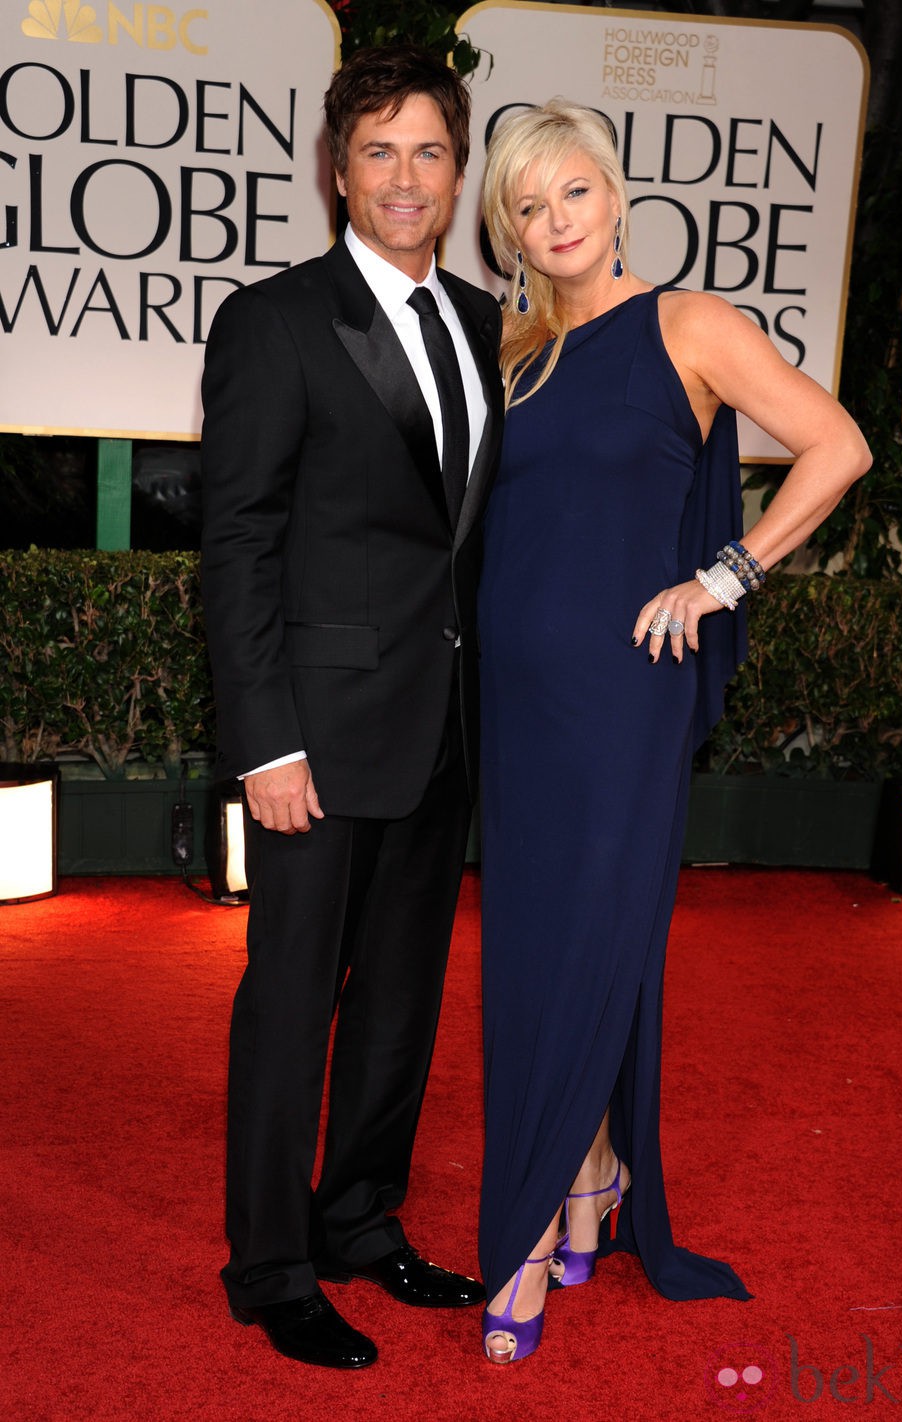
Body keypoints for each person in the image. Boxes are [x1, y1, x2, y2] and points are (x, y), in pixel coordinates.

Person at [476, 99, 871, 1364]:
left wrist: (724, 577)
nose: (552, 225)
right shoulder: (516, 349)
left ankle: (528, 1228)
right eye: (526, 209)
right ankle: (592, 1172)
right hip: (514, 705)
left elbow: (837, 447)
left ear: (614, 193)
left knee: (564, 953)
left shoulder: (686, 323)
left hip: (616, 699)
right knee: (542, 941)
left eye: (571, 194)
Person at [199, 44, 503, 1371]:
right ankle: (269, 1263)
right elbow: (239, 541)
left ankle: (360, 1216)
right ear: (337, 169)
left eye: (429, 151)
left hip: (443, 727)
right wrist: (265, 736)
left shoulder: (491, 327)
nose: (404, 177)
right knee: (290, 998)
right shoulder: (274, 322)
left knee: (401, 996)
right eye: (377, 151)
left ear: (458, 171)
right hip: (312, 738)